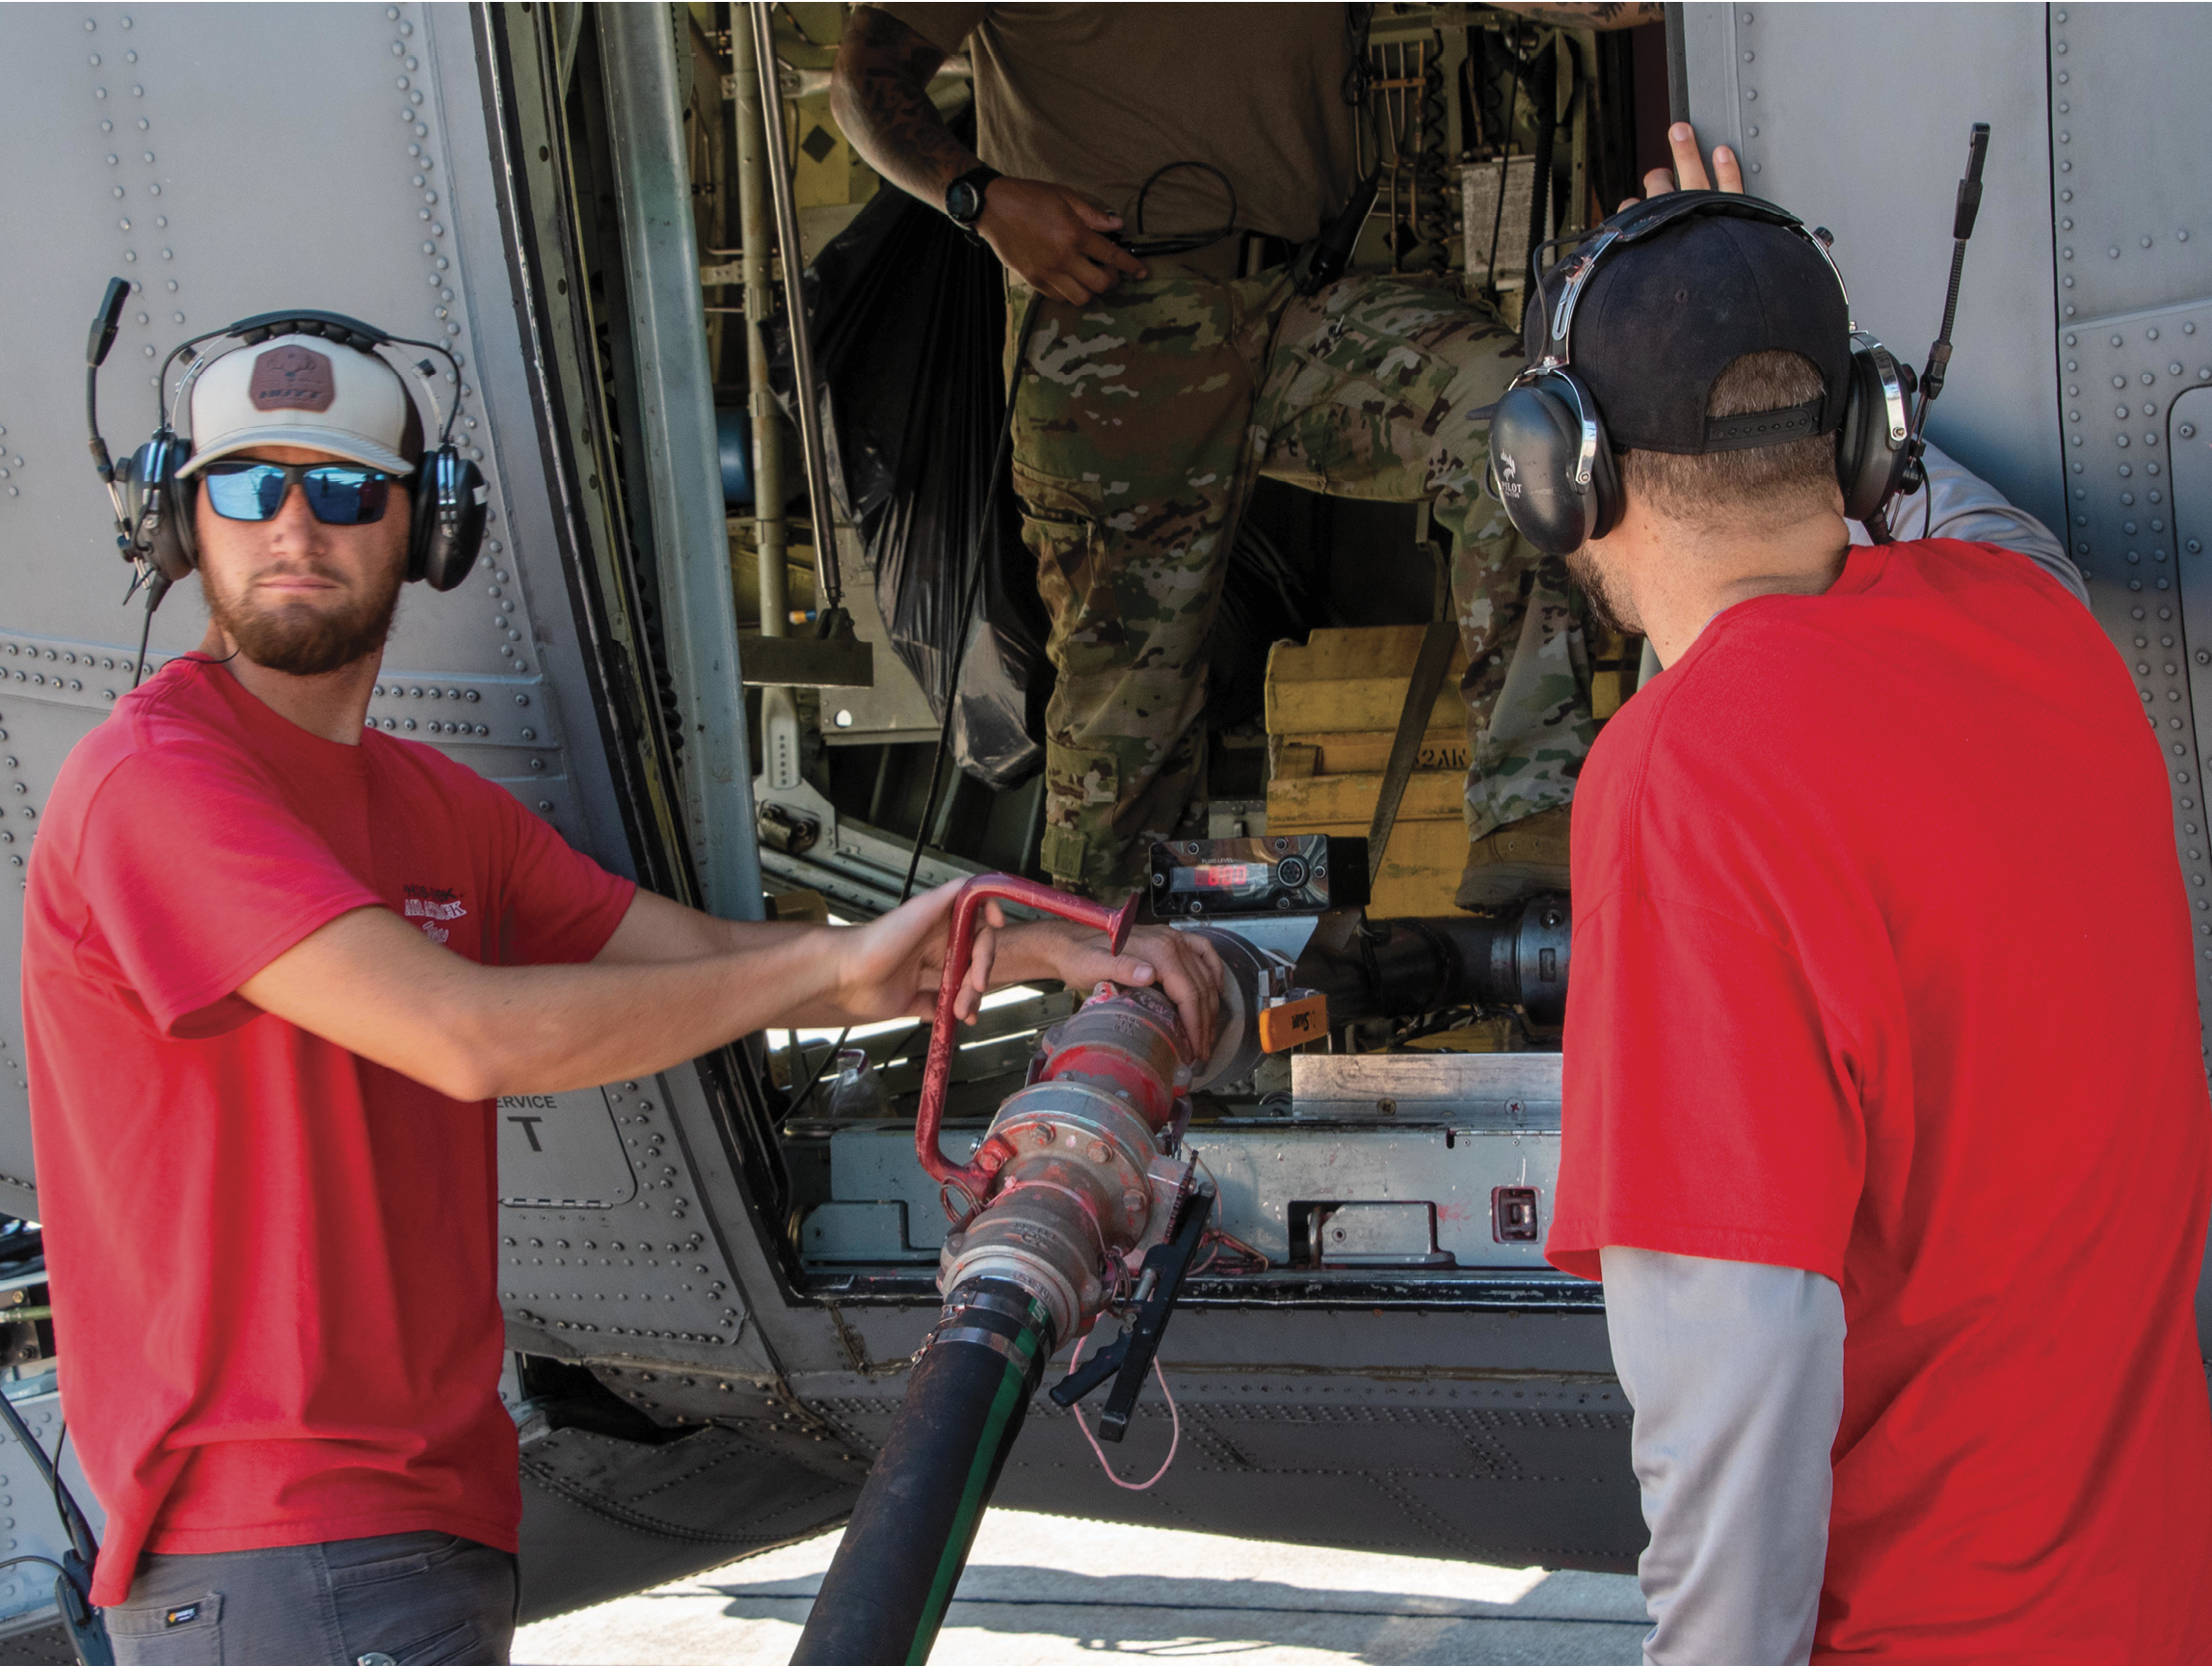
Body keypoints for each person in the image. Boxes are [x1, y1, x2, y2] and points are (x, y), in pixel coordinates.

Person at [20, 332, 1220, 1663]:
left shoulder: (435, 812)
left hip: (422, 1528)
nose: (295, 526)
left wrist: (1038, 947)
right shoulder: (157, 783)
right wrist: (831, 965)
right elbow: (461, 1036)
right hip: (269, 1541)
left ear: (430, 525)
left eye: (348, 488)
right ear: (181, 522)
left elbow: (711, 963)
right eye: (248, 489)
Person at [1529, 181, 2212, 1657]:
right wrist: (1758, 316)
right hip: (2170, 1614)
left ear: (1559, 474)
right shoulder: (2035, 625)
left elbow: (1738, 1361)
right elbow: (1961, 513)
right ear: (1859, 435)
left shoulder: (1686, 779)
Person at [831, 3, 1612, 909]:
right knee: (1128, 700)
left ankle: (1529, 807)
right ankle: (1112, 965)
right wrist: (981, 200)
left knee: (1516, 424)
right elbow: (864, 81)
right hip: (1115, 324)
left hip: (1296, 295)